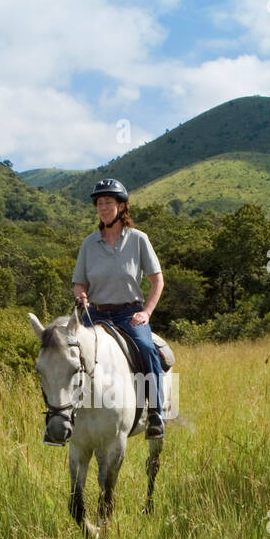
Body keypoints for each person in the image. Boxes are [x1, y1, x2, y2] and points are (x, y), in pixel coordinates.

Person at [71, 178, 168, 438]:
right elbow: (79, 283)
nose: (103, 208)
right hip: (96, 314)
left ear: (121, 207)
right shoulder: (89, 244)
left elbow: (157, 280)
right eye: (99, 203)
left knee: (147, 348)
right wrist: (82, 297)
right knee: (71, 354)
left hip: (129, 314)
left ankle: (156, 414)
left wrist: (146, 312)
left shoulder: (138, 240)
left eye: (108, 203)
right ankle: (66, 417)